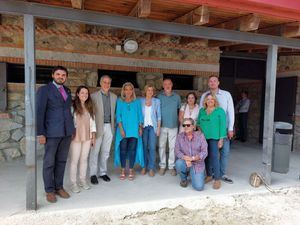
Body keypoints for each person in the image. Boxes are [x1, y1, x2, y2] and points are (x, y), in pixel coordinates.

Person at [37, 66, 75, 203]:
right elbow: (40, 112)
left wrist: (71, 130)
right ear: (53, 75)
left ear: (66, 77)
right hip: (51, 133)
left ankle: (59, 187)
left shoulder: (67, 91)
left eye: (63, 75)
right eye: (58, 74)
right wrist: (40, 133)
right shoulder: (44, 90)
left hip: (66, 132)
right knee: (49, 162)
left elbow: (68, 111)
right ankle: (49, 190)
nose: (61, 77)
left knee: (62, 161)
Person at [199, 75, 235, 184]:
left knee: (224, 152)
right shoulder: (204, 95)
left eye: (214, 81)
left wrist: (230, 128)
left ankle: (221, 174)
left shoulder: (226, 95)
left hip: (223, 130)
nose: (212, 83)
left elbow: (231, 112)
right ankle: (211, 174)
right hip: (207, 133)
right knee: (209, 154)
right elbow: (202, 112)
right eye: (210, 81)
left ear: (218, 82)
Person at [89, 75, 117, 185]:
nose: (106, 84)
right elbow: (90, 114)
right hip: (97, 127)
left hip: (109, 126)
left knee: (105, 152)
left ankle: (103, 172)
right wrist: (91, 130)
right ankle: (92, 174)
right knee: (94, 151)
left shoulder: (114, 97)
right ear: (100, 83)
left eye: (108, 82)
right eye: (104, 82)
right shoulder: (93, 96)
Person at [114, 82, 144, 180]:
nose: (128, 91)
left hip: (134, 130)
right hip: (123, 130)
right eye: (126, 89)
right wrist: (121, 129)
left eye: (130, 89)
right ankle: (122, 170)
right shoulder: (120, 101)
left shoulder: (137, 101)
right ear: (123, 90)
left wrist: (140, 127)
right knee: (123, 151)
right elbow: (118, 116)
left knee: (132, 151)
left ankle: (131, 169)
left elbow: (140, 115)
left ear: (132, 90)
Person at [69, 86, 96, 193]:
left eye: (86, 93)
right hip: (75, 137)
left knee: (84, 159)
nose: (84, 95)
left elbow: (93, 123)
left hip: (87, 137)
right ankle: (73, 183)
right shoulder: (73, 106)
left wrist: (93, 137)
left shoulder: (90, 106)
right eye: (82, 93)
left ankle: (82, 180)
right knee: (74, 160)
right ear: (77, 94)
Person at [197, 94, 227, 189]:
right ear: (205, 101)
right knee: (205, 157)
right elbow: (198, 123)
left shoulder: (220, 111)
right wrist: (200, 131)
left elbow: (223, 126)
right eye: (208, 99)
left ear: (215, 101)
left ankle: (217, 179)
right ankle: (209, 175)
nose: (210, 101)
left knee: (214, 157)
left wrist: (221, 139)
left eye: (212, 99)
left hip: (215, 138)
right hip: (203, 138)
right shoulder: (202, 111)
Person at [175, 118, 208, 191]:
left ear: (193, 126)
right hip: (185, 162)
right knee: (178, 163)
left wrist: (193, 158)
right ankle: (184, 178)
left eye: (188, 125)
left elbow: (204, 152)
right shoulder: (180, 136)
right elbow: (177, 151)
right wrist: (185, 158)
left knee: (199, 187)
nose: (186, 127)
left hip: (197, 164)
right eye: (184, 125)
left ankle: (193, 173)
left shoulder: (200, 136)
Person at [157, 78, 181, 176]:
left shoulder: (177, 97)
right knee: (162, 146)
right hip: (162, 125)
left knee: (172, 147)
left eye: (169, 84)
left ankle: (171, 166)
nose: (167, 86)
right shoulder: (159, 97)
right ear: (163, 85)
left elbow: (179, 110)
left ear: (172, 85)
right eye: (165, 84)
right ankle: (162, 165)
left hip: (173, 125)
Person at [140, 84, 161, 177]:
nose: (150, 92)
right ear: (145, 91)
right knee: (144, 147)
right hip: (143, 127)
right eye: (148, 90)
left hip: (153, 127)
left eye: (151, 90)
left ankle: (151, 167)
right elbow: (139, 115)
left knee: (152, 147)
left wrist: (159, 128)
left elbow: (159, 116)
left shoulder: (157, 101)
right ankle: (144, 166)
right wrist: (139, 127)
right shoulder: (140, 101)